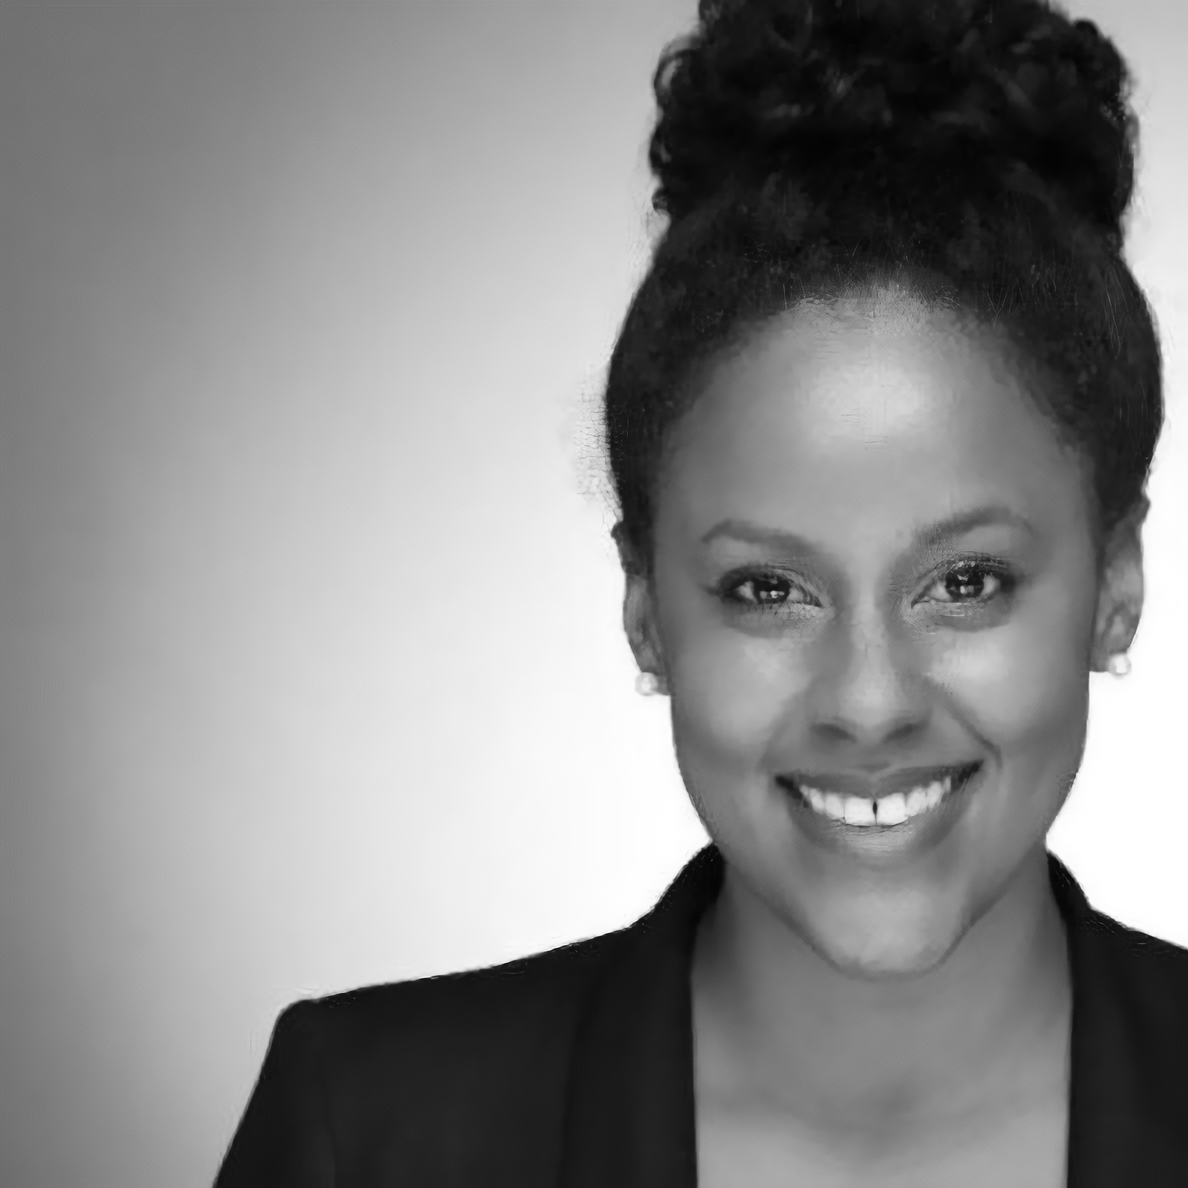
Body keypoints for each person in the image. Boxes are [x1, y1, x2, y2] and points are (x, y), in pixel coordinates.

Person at [213, 0, 1187, 1184]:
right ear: (646, 610)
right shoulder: (369, 1135)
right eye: (768, 588)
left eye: (965, 582)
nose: (868, 704)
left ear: (1116, 581)